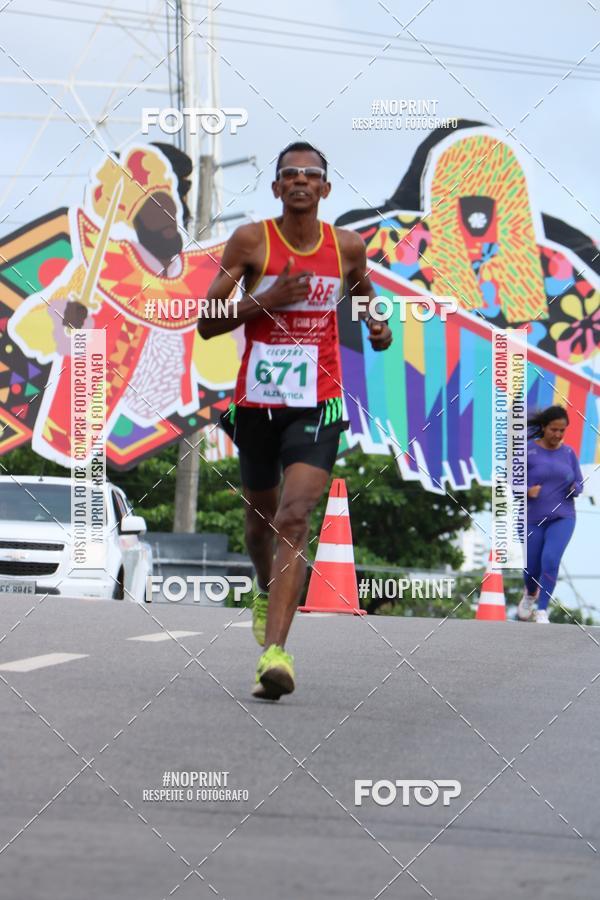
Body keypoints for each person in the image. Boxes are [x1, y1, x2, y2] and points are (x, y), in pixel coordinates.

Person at [199, 141, 392, 699]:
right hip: (256, 405)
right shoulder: (251, 241)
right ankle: (267, 590)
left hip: (318, 402)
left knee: (294, 517)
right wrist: (269, 299)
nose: (301, 181)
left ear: (325, 189)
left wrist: (378, 327)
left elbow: (363, 295)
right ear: (277, 187)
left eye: (311, 174)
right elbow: (207, 322)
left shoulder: (347, 247)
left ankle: (276, 654)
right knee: (259, 523)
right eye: (290, 174)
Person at [517, 405, 583, 623]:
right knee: (531, 567)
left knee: (551, 559)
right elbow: (512, 481)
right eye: (554, 429)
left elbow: (579, 482)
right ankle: (530, 593)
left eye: (562, 430)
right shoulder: (527, 451)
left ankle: (542, 610)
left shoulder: (568, 453)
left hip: (563, 516)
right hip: (531, 518)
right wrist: (527, 490)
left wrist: (575, 487)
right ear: (544, 427)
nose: (558, 434)